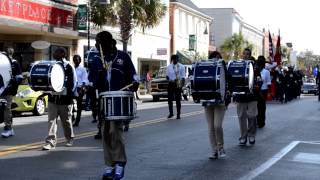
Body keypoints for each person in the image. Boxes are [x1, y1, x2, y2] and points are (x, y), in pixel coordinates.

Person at [91, 31, 138, 180]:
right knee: (105, 132)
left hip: (119, 99)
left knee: (115, 131)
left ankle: (120, 163)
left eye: (100, 44)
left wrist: (135, 83)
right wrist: (98, 75)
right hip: (104, 100)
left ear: (110, 43)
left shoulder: (123, 57)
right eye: (97, 44)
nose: (97, 47)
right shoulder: (97, 60)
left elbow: (133, 75)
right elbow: (92, 82)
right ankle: (110, 164)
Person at [42, 47, 76, 150]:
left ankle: (69, 138)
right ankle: (50, 142)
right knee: (51, 121)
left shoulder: (69, 66)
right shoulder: (52, 65)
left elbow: (73, 83)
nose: (54, 53)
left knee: (66, 121)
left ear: (63, 54)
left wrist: (67, 94)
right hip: (53, 99)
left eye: (57, 52)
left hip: (65, 100)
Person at [205, 51, 231, 159]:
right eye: (214, 58)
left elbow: (229, 84)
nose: (217, 59)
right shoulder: (206, 69)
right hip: (208, 101)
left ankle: (221, 147)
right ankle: (214, 150)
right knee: (211, 127)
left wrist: (227, 96)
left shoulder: (224, 69)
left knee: (217, 126)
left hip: (220, 101)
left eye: (218, 58)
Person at [233, 48, 261, 146]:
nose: (245, 56)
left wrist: (258, 84)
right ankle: (243, 137)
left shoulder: (254, 66)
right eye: (244, 54)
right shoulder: (238, 65)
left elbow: (259, 79)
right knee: (241, 117)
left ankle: (251, 134)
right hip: (241, 96)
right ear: (242, 55)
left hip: (252, 96)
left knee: (252, 116)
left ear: (250, 55)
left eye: (247, 54)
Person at [0, 47, 23, 138]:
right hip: (1, 88)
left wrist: (11, 80)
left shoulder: (14, 63)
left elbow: (19, 77)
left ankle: (8, 128)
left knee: (6, 108)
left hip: (8, 90)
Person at [166, 54, 185, 119]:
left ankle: (178, 114)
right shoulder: (169, 67)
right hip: (171, 83)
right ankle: (171, 113)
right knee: (170, 99)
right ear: (172, 60)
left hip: (178, 83)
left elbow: (183, 77)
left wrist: (182, 85)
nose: (175, 60)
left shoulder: (181, 66)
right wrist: (169, 80)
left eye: (176, 59)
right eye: (174, 59)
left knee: (177, 99)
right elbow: (167, 76)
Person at [72, 55, 88, 127]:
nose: (75, 61)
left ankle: (77, 121)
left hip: (79, 88)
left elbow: (85, 80)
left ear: (80, 61)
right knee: (70, 104)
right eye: (74, 60)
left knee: (79, 106)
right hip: (72, 88)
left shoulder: (82, 69)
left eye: (77, 60)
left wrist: (82, 89)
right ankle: (72, 117)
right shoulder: (72, 68)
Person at [256, 56, 271, 128]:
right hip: (256, 91)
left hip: (263, 91)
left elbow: (268, 83)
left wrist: (269, 92)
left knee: (262, 107)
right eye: (259, 60)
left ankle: (261, 122)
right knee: (256, 107)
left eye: (262, 61)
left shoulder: (266, 72)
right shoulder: (255, 71)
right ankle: (256, 120)